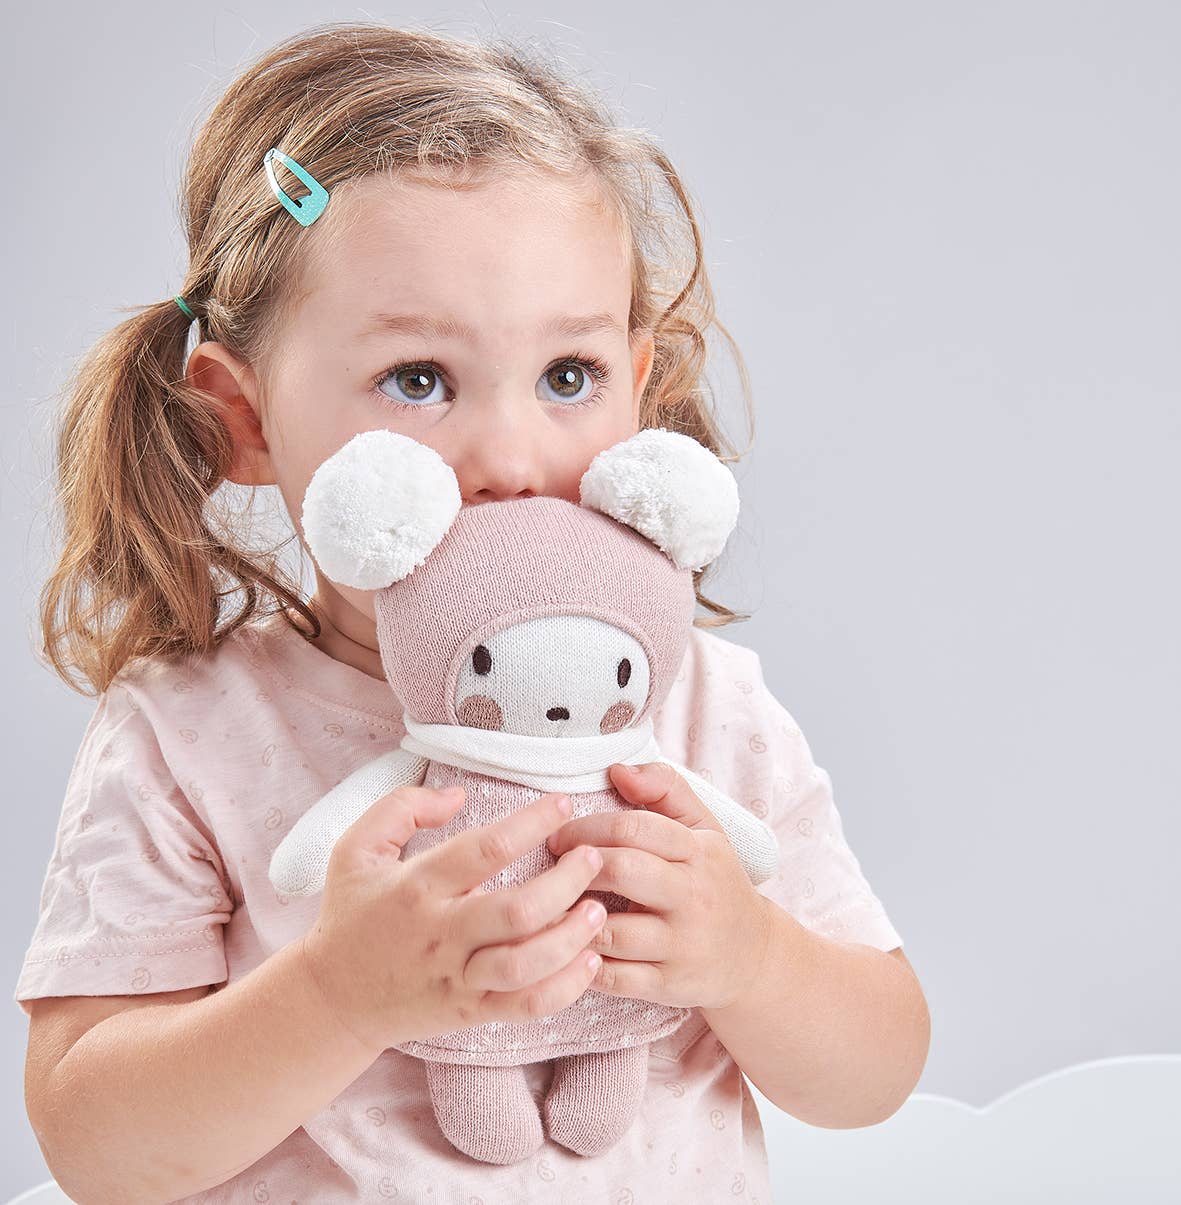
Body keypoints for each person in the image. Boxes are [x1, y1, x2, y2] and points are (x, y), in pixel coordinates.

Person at [14, 21, 930, 1203]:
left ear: (637, 388)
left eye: (567, 377)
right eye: (418, 380)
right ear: (240, 421)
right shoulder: (190, 734)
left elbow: (875, 1068)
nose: (509, 456)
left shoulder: (701, 706)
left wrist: (750, 959)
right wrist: (338, 994)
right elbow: (95, 1147)